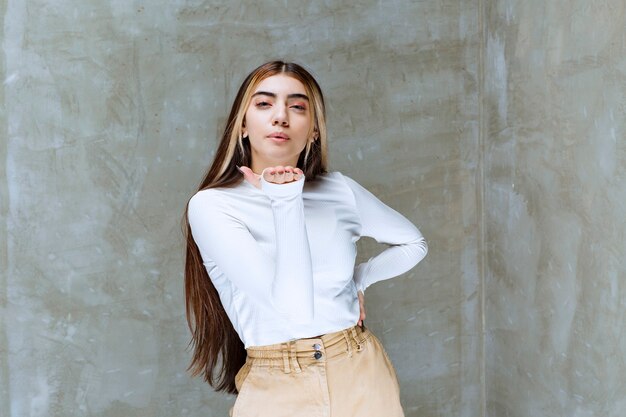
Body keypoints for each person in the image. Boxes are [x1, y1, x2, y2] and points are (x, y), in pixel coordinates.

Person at [182, 61, 428, 417]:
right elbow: (293, 311)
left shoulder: (338, 189)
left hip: (361, 371)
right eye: (264, 104)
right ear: (243, 126)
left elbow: (414, 244)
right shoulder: (213, 206)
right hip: (277, 385)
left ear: (313, 130)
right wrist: (284, 200)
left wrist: (360, 280)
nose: (280, 116)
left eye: (297, 106)